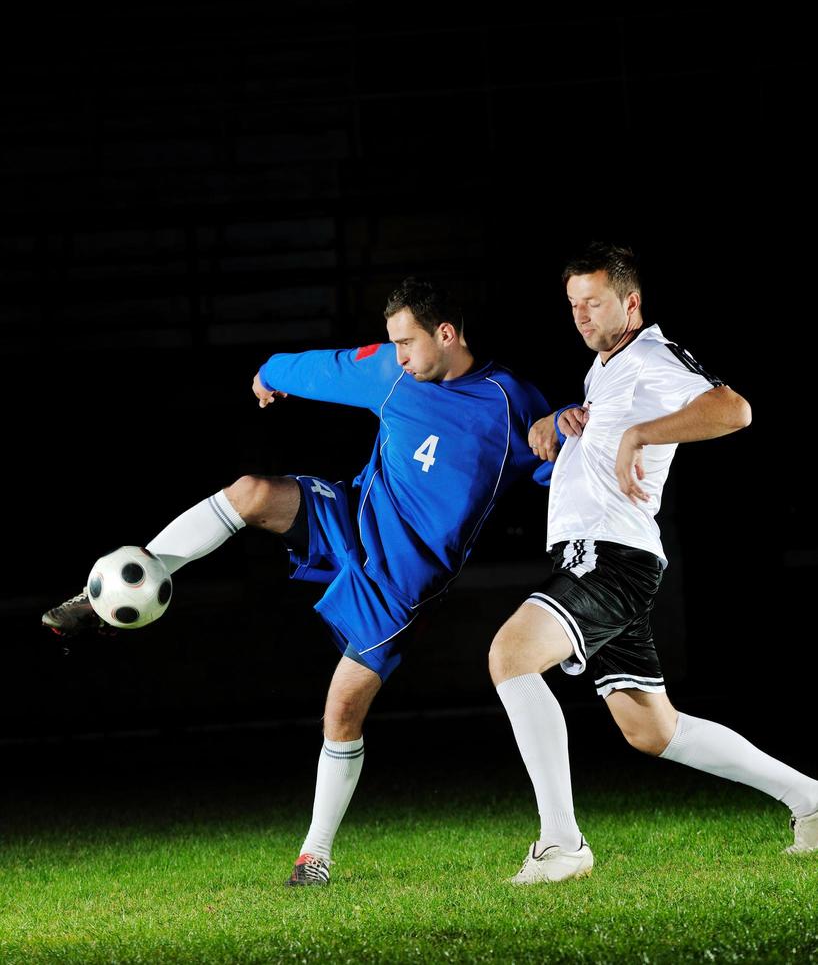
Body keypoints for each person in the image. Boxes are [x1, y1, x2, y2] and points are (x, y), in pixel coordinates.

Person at [43, 277, 555, 886]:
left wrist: (571, 443)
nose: (397, 355)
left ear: (446, 334)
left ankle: (315, 855)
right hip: (354, 514)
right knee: (252, 493)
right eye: (392, 344)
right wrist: (271, 372)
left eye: (407, 342)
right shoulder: (395, 374)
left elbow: (559, 465)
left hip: (399, 583)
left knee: (340, 712)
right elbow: (331, 367)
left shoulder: (511, 402)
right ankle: (127, 584)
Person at [489, 242, 818, 885]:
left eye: (595, 302)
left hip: (607, 556)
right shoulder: (607, 368)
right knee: (651, 729)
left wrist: (642, 434)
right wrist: (564, 422)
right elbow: (607, 433)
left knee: (511, 654)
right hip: (609, 554)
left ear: (631, 303)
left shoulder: (650, 356)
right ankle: (812, 798)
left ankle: (562, 845)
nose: (581, 316)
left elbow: (733, 409)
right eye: (574, 305)